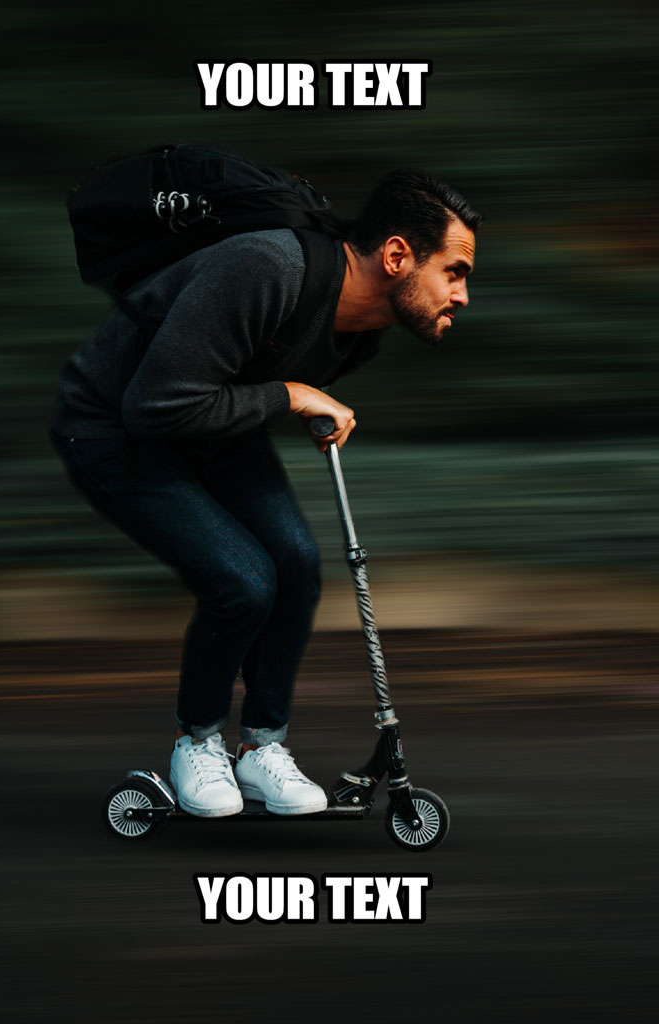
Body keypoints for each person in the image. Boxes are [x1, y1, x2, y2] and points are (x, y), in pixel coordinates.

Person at [49, 169, 480, 818]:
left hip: (210, 425)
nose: (463, 294)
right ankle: (196, 742)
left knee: (298, 567)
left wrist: (292, 400)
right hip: (116, 427)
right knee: (244, 581)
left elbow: (241, 379)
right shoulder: (264, 267)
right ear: (396, 256)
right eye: (454, 271)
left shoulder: (361, 333)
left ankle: (261, 751)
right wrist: (291, 397)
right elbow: (155, 406)